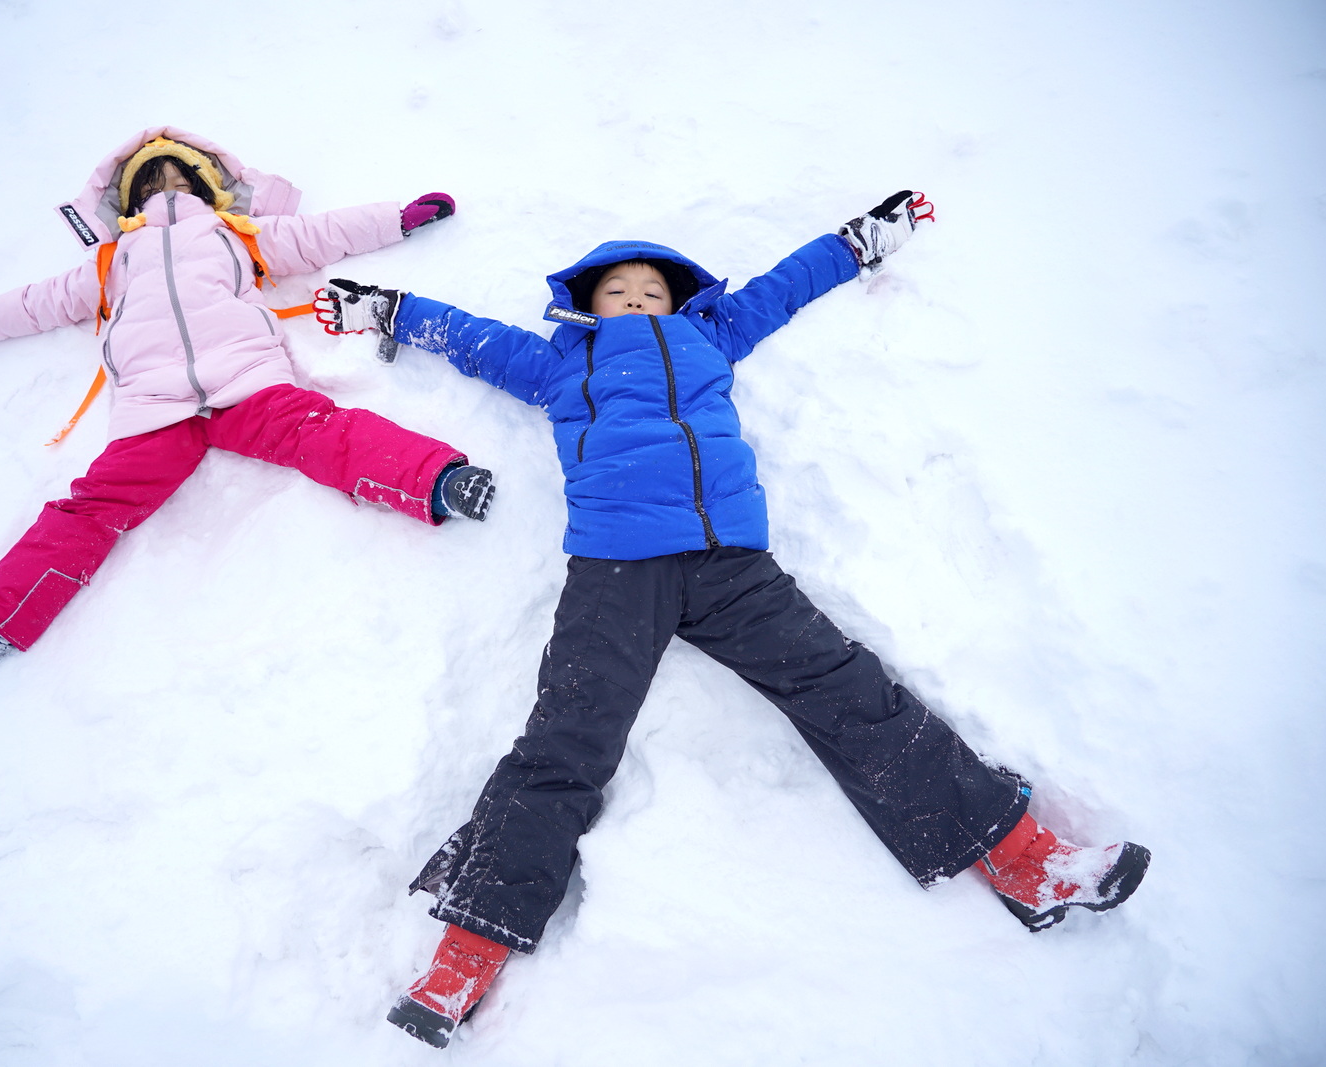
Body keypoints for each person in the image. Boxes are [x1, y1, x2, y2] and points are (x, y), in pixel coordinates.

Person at [313, 192, 1152, 1049]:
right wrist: (389, 310)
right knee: (566, 743)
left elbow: (785, 287)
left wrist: (861, 240)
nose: (638, 301)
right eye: (619, 292)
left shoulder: (711, 335)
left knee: (852, 689)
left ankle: (1022, 860)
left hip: (732, 567)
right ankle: (468, 947)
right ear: (585, 305)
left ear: (679, 301)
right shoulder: (559, 363)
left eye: (652, 292)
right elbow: (471, 337)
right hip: (616, 570)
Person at [0, 127, 494, 671]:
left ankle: (438, 481)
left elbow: (324, 232)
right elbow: (35, 302)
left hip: (244, 380)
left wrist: (397, 219)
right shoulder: (112, 260)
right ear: (130, 200)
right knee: (94, 503)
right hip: (154, 406)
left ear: (203, 186)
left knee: (322, 431)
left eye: (177, 178)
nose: (165, 189)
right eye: (150, 182)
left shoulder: (235, 235)